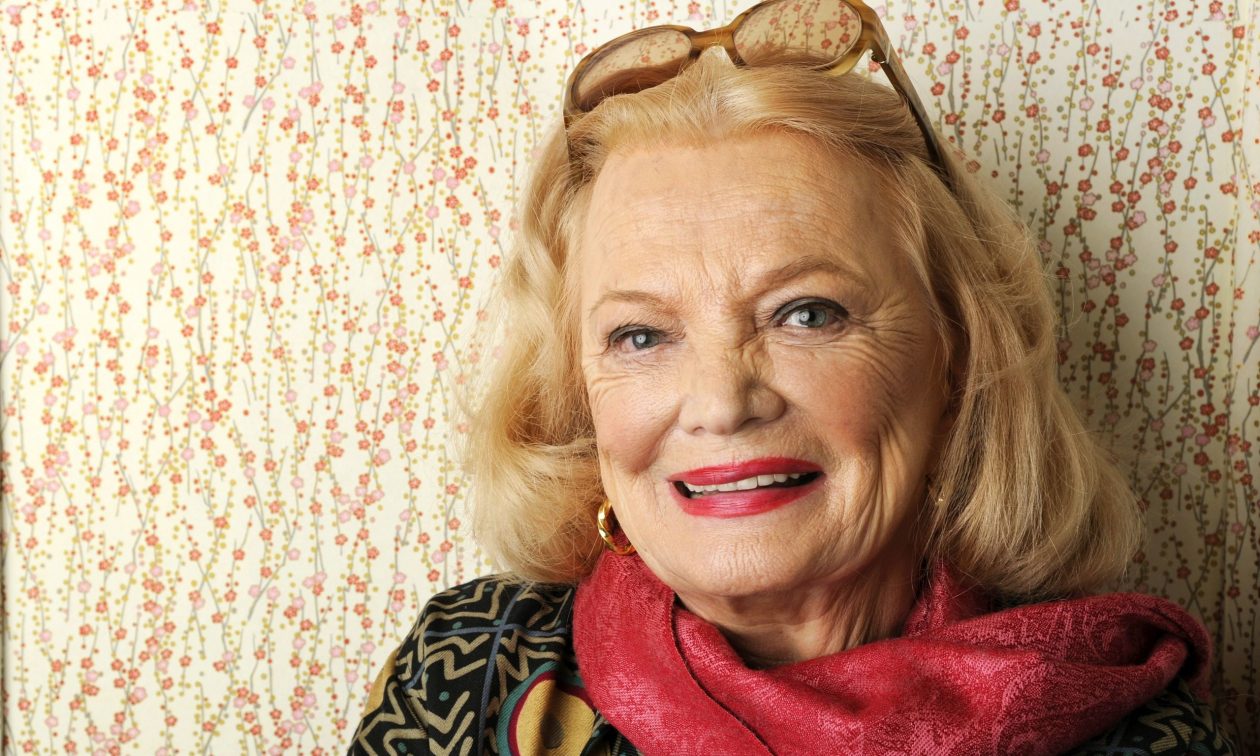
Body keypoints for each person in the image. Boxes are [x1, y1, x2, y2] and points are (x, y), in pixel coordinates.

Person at [348, 0, 1235, 753]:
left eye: (806, 314)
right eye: (641, 335)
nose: (721, 403)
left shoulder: (1132, 732)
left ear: (957, 354)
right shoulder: (472, 669)